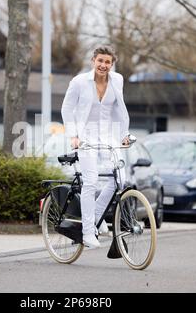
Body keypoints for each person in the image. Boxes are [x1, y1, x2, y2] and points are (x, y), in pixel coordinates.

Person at [61, 45, 130, 248]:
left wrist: (124, 134)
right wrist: (73, 135)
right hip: (85, 137)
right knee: (90, 182)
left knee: (120, 179)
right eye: (100, 61)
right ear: (93, 61)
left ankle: (97, 216)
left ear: (112, 64)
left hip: (108, 135)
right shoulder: (79, 82)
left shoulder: (118, 80)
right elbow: (67, 108)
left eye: (107, 62)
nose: (103, 65)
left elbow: (119, 108)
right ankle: (87, 232)